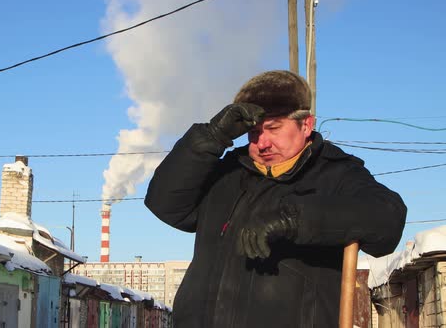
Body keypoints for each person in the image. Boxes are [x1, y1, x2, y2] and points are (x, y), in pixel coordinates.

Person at [145, 70, 406, 327]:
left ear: (306, 124)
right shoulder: (227, 173)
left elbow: (388, 219)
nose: (262, 143)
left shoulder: (335, 173)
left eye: (273, 128)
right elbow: (164, 203)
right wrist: (213, 136)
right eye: (254, 132)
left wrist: (295, 219)